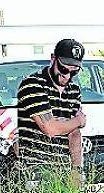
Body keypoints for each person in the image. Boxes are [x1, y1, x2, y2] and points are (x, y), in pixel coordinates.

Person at [16, 38, 87, 170]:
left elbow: (74, 133)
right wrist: (79, 120)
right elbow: (50, 128)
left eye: (74, 72)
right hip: (34, 169)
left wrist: (77, 170)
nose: (67, 76)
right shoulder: (33, 84)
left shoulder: (74, 90)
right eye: (63, 69)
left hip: (63, 171)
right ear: (53, 59)